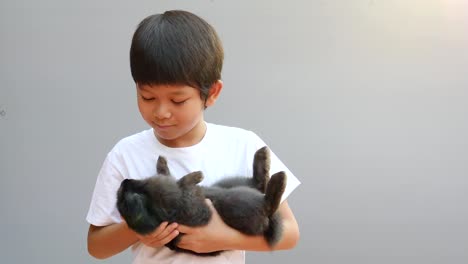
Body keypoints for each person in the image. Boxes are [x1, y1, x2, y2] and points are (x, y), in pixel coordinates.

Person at [86, 10, 301, 264]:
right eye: (148, 97)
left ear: (212, 93)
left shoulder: (243, 145)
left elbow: (289, 233)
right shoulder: (125, 154)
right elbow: (96, 246)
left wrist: (224, 237)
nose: (161, 112)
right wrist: (137, 228)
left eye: (177, 100)